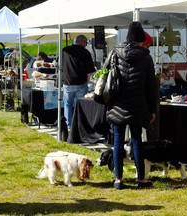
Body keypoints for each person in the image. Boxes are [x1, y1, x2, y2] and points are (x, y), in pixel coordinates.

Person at [106, 22, 157, 189]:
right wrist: (152, 110)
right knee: (137, 140)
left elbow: (104, 73)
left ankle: (118, 180)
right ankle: (141, 179)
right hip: (138, 105)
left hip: (118, 104)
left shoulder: (115, 52)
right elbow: (151, 87)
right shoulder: (146, 57)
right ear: (141, 38)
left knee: (118, 141)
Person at [62, 35, 96, 128]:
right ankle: (78, 126)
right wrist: (87, 81)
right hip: (81, 82)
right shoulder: (85, 52)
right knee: (80, 105)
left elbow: (60, 65)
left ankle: (68, 125)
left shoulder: (65, 50)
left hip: (67, 82)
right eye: (86, 43)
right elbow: (89, 71)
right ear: (83, 42)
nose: (86, 45)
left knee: (68, 105)